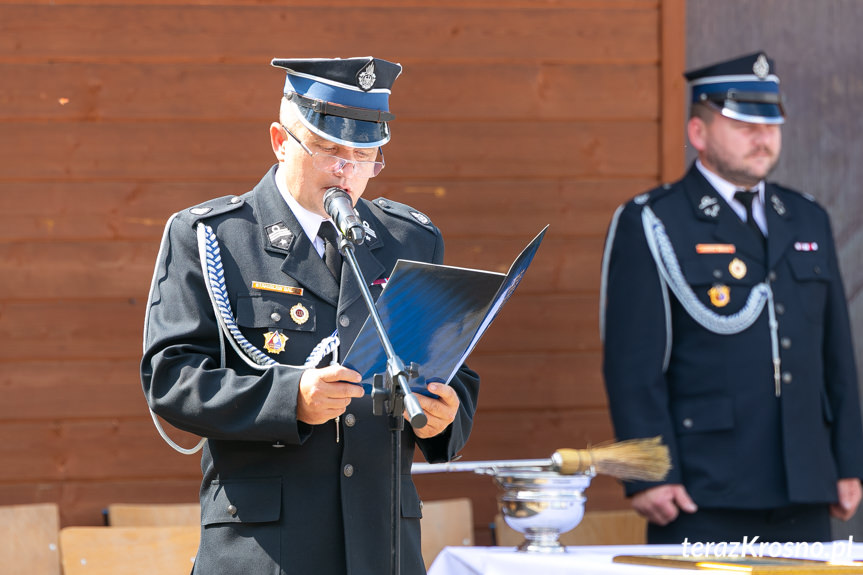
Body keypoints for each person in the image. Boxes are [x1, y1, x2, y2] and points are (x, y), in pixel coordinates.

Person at [140, 57, 480, 574]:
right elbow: (172, 380)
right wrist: (289, 399)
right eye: (329, 149)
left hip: (381, 546)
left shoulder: (409, 239)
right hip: (266, 549)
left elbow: (453, 366)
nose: (346, 170)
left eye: (364, 154)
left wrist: (444, 417)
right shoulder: (213, 236)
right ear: (280, 141)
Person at [600, 52, 863, 543]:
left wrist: (849, 462)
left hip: (805, 480)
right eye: (743, 123)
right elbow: (632, 366)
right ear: (698, 133)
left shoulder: (807, 218)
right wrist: (649, 474)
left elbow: (837, 356)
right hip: (703, 485)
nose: (762, 136)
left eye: (771, 123)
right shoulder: (654, 220)